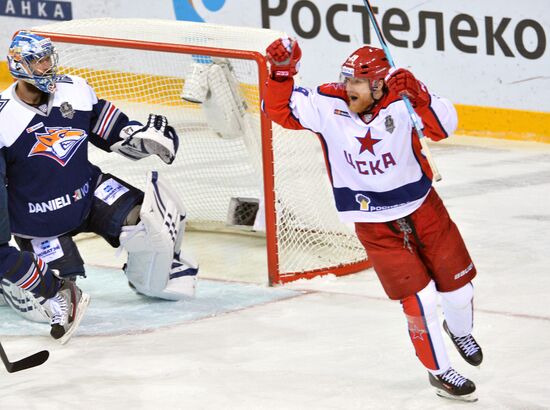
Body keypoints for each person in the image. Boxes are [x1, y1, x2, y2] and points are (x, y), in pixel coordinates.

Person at [263, 38, 482, 402]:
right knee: (420, 300)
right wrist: (281, 74)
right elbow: (279, 111)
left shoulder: (402, 96)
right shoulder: (327, 103)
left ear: (379, 84)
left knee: (459, 292)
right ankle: (440, 372)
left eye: (358, 82)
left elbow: (444, 128)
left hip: (424, 207)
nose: (349, 87)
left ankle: (459, 330)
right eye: (347, 79)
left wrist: (420, 95)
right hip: (373, 221)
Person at [0, 31, 198, 335]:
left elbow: (114, 131)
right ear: (21, 66)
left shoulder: (75, 90)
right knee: (51, 303)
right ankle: (11, 287)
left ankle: (149, 276)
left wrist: (144, 139)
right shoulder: (3, 120)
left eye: (48, 58)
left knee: (153, 220)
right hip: (38, 221)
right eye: (39, 62)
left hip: (89, 194)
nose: (48, 66)